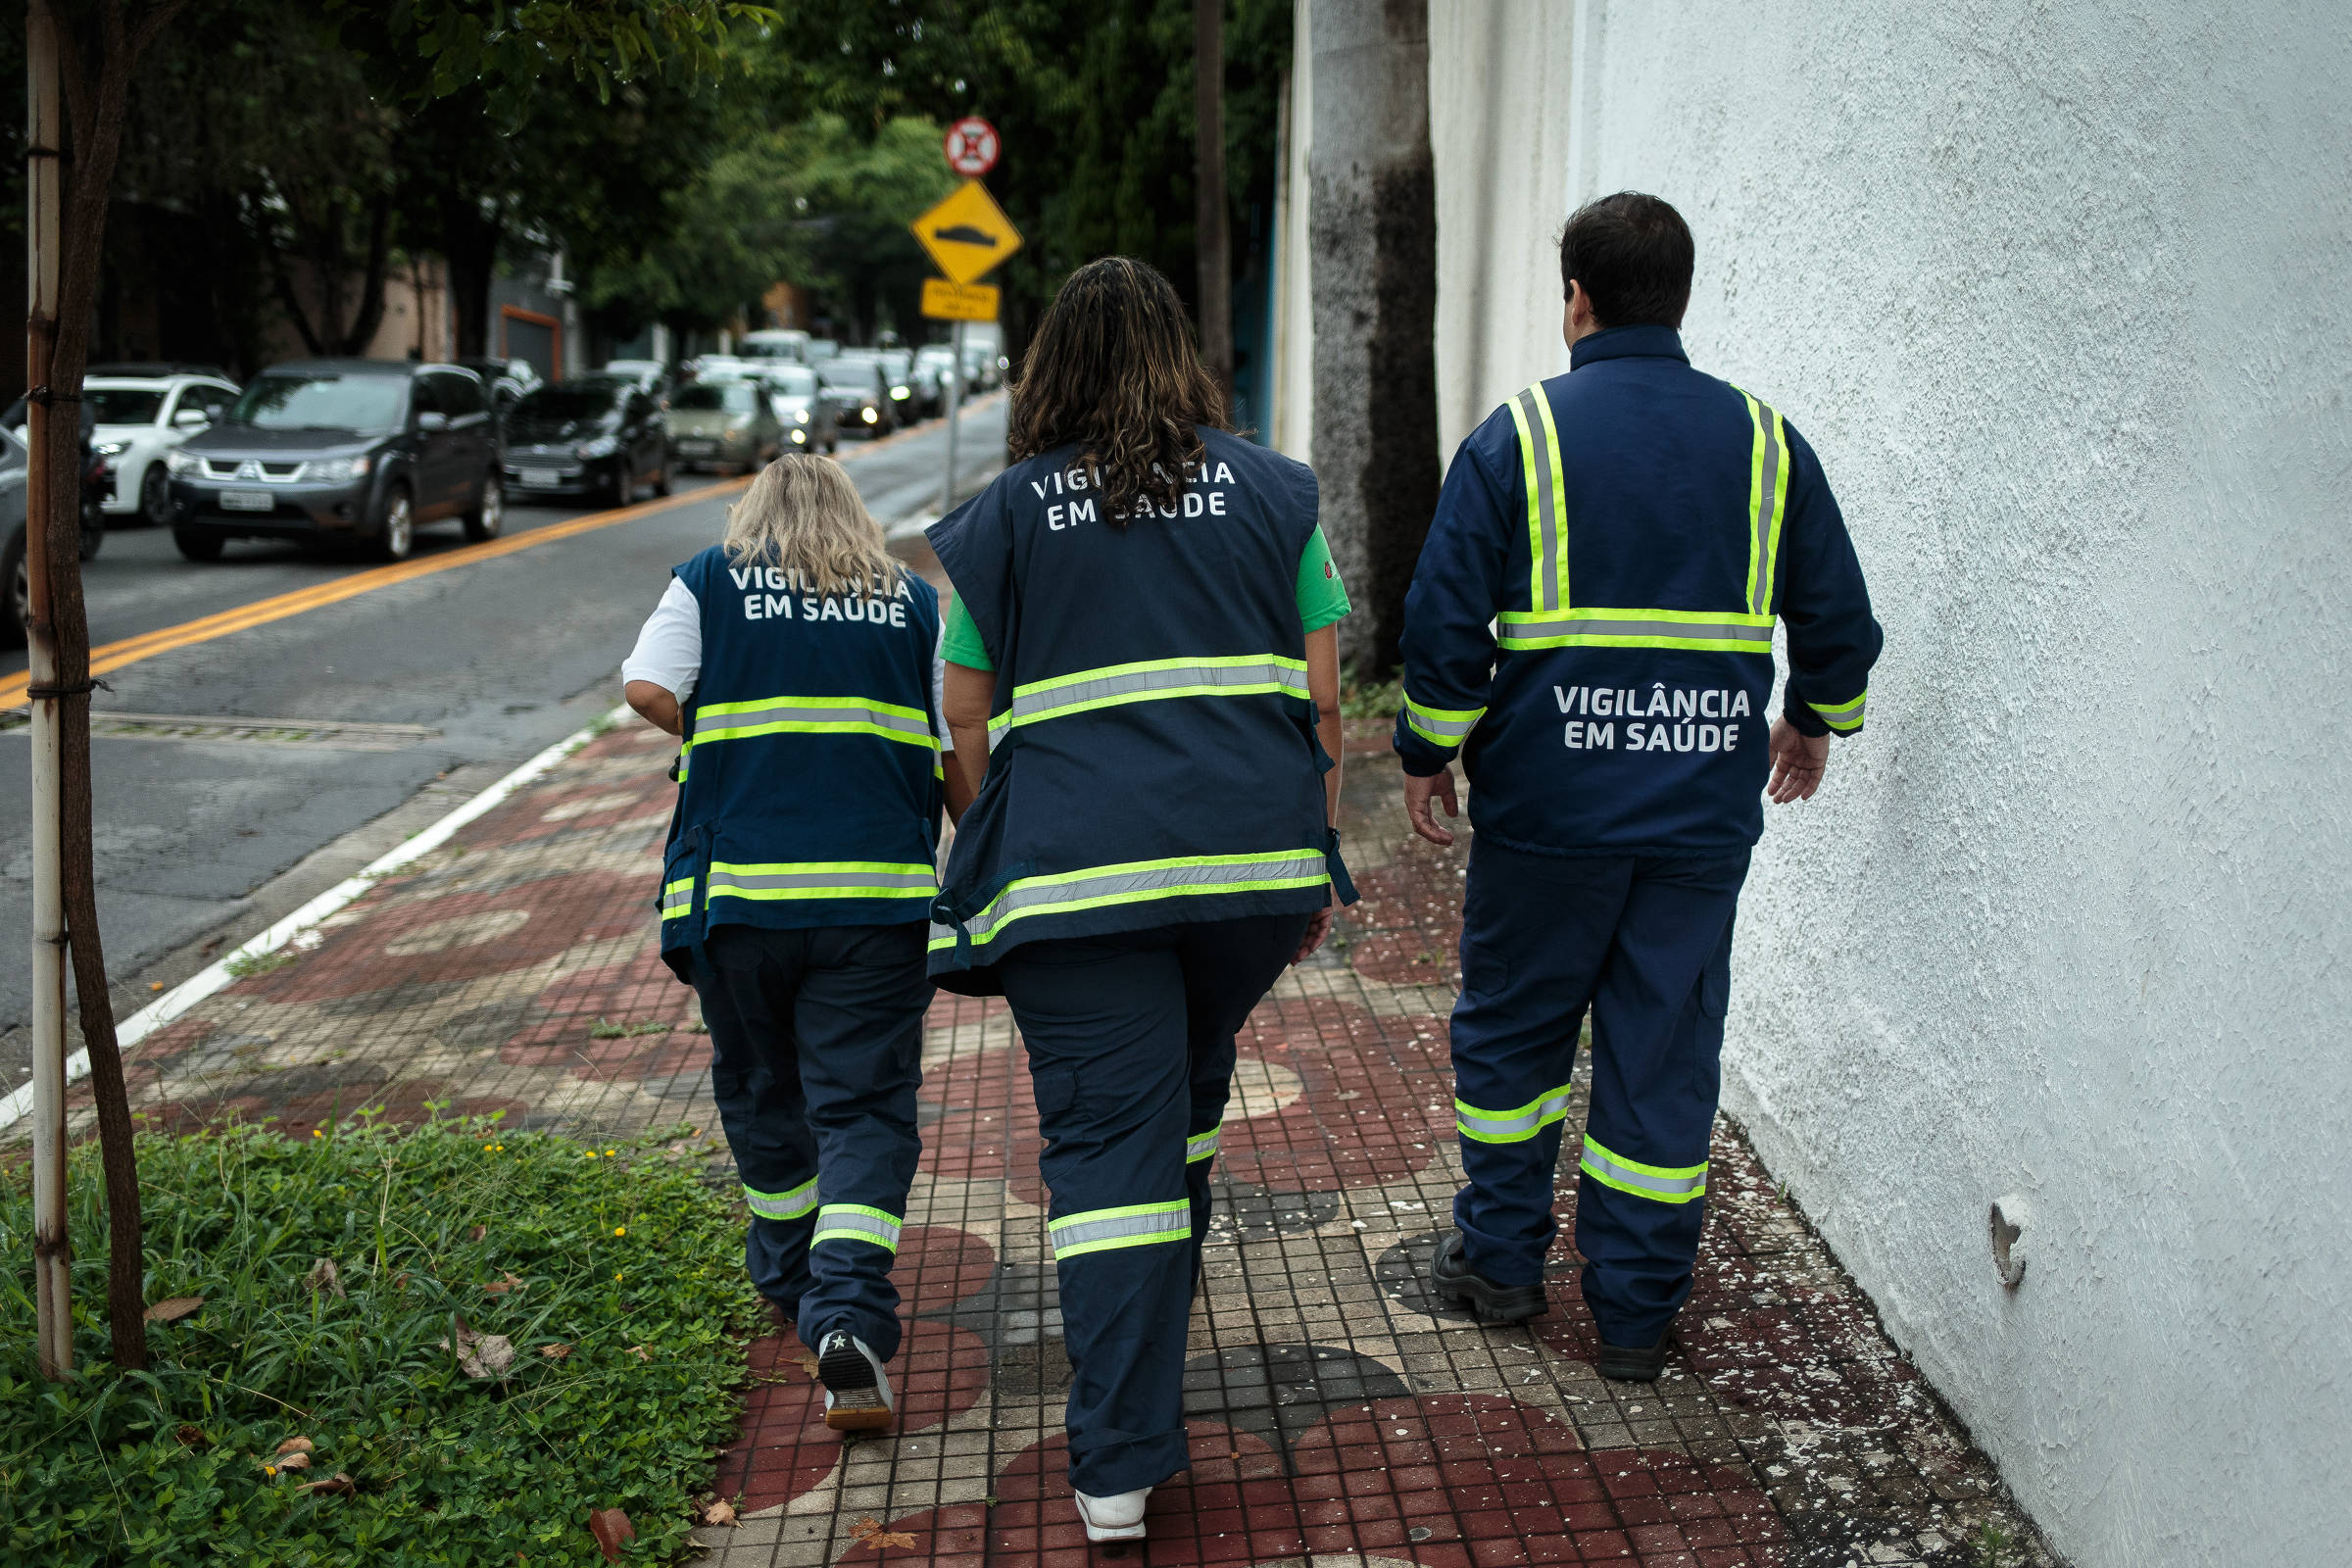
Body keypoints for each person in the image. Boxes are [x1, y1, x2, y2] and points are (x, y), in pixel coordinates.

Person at [1396, 192, 1882, 1382]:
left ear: (1577, 298)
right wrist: (1815, 719)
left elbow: (1447, 624)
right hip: (1698, 820)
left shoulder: (1518, 439)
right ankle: (1634, 1318)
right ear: (1680, 296)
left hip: (1547, 817)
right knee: (1662, 1060)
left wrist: (1427, 751)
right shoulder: (1767, 442)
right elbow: (1839, 619)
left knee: (1513, 1040)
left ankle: (1501, 1264)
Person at [927, 257, 1353, 1543]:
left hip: (1076, 883)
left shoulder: (1003, 518)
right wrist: (1313, 854)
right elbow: (1323, 694)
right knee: (1182, 1094)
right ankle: (1152, 1320)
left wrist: (996, 834)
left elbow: (962, 712)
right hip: (1249, 877)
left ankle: (1116, 1466)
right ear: (1188, 360)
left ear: (1052, 367)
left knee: (1112, 1155)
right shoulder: (1275, 494)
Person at [621, 456, 968, 1432]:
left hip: (740, 901)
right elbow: (952, 745)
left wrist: (714, 738)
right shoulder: (910, 603)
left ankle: (787, 1279)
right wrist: (978, 862)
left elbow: (645, 686)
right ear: (854, 516)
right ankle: (848, 1312)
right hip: (873, 901)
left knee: (765, 1087)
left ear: (754, 515)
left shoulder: (710, 578)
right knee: (862, 1106)